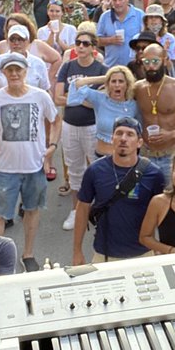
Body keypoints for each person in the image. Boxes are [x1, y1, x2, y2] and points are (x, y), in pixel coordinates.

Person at [0, 53, 58, 271]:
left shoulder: (40, 96)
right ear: (3, 73)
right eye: (9, 70)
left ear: (26, 72)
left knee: (32, 210)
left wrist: (52, 147)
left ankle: (28, 254)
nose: (14, 74)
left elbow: (55, 120)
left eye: (18, 70)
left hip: (35, 168)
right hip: (5, 169)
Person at [71, 116, 165, 264]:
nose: (123, 138)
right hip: (104, 255)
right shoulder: (94, 171)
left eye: (130, 134)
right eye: (119, 133)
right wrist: (77, 251)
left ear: (139, 142)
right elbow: (82, 209)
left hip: (144, 254)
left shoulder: (154, 174)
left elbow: (162, 215)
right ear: (112, 139)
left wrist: (162, 249)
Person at [55, 29, 107, 229]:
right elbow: (57, 97)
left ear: (94, 48)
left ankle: (100, 208)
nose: (81, 46)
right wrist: (84, 98)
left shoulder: (102, 70)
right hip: (70, 125)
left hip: (93, 126)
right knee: (75, 169)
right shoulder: (67, 66)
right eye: (78, 43)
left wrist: (76, 98)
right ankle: (76, 211)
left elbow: (101, 102)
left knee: (98, 167)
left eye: (86, 43)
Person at [134, 43, 175, 182]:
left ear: (165, 60)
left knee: (171, 198)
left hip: (170, 155)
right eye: (146, 62)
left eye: (155, 61)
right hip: (144, 154)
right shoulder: (138, 88)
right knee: (144, 198)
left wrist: (174, 133)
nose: (151, 66)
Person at [96, 0, 144, 68]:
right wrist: (110, 40)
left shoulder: (139, 15)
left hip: (135, 67)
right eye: (114, 0)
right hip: (111, 66)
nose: (117, 3)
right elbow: (97, 41)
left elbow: (146, 40)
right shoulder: (105, 17)